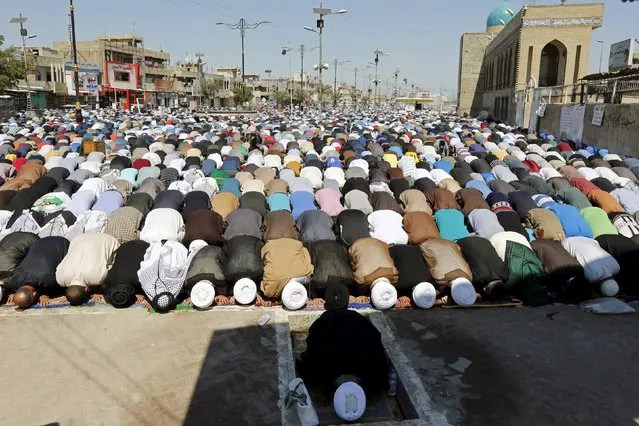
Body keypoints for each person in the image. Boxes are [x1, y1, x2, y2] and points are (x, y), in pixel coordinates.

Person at [297, 283, 388, 423]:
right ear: (347, 302)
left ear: (326, 304)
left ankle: (326, 391)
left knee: (309, 361)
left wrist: (322, 388)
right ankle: (368, 389)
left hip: (333, 370)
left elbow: (314, 353)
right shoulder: (361, 320)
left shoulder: (321, 323)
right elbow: (375, 346)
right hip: (360, 369)